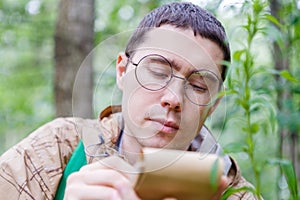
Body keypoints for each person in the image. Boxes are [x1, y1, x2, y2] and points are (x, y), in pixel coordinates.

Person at [0, 2, 259, 200]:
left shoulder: (235, 195)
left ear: (213, 105)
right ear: (122, 71)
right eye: (158, 72)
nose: (173, 98)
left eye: (198, 85)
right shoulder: (56, 149)